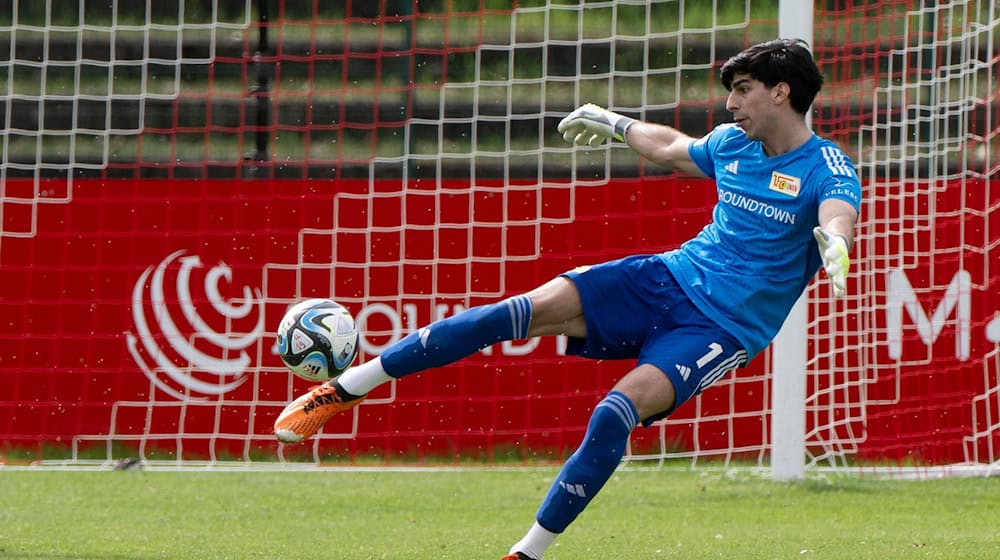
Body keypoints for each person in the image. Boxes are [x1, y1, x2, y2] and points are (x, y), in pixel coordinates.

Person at [273, 38, 861, 559]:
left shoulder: (826, 165)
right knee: (512, 314)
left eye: (743, 90)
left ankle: (527, 553)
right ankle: (344, 388)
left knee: (613, 414)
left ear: (782, 92)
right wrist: (614, 122)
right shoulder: (735, 144)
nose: (731, 104)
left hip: (721, 329)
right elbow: (672, 147)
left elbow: (838, 213)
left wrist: (834, 243)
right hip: (664, 277)